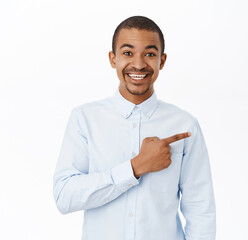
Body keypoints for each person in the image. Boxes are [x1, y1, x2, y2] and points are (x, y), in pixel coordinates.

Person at [53, 16, 216, 240]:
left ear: (162, 60)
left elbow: (201, 211)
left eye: (149, 54)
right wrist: (135, 167)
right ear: (113, 58)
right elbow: (64, 197)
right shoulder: (85, 119)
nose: (138, 64)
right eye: (128, 53)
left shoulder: (184, 125)